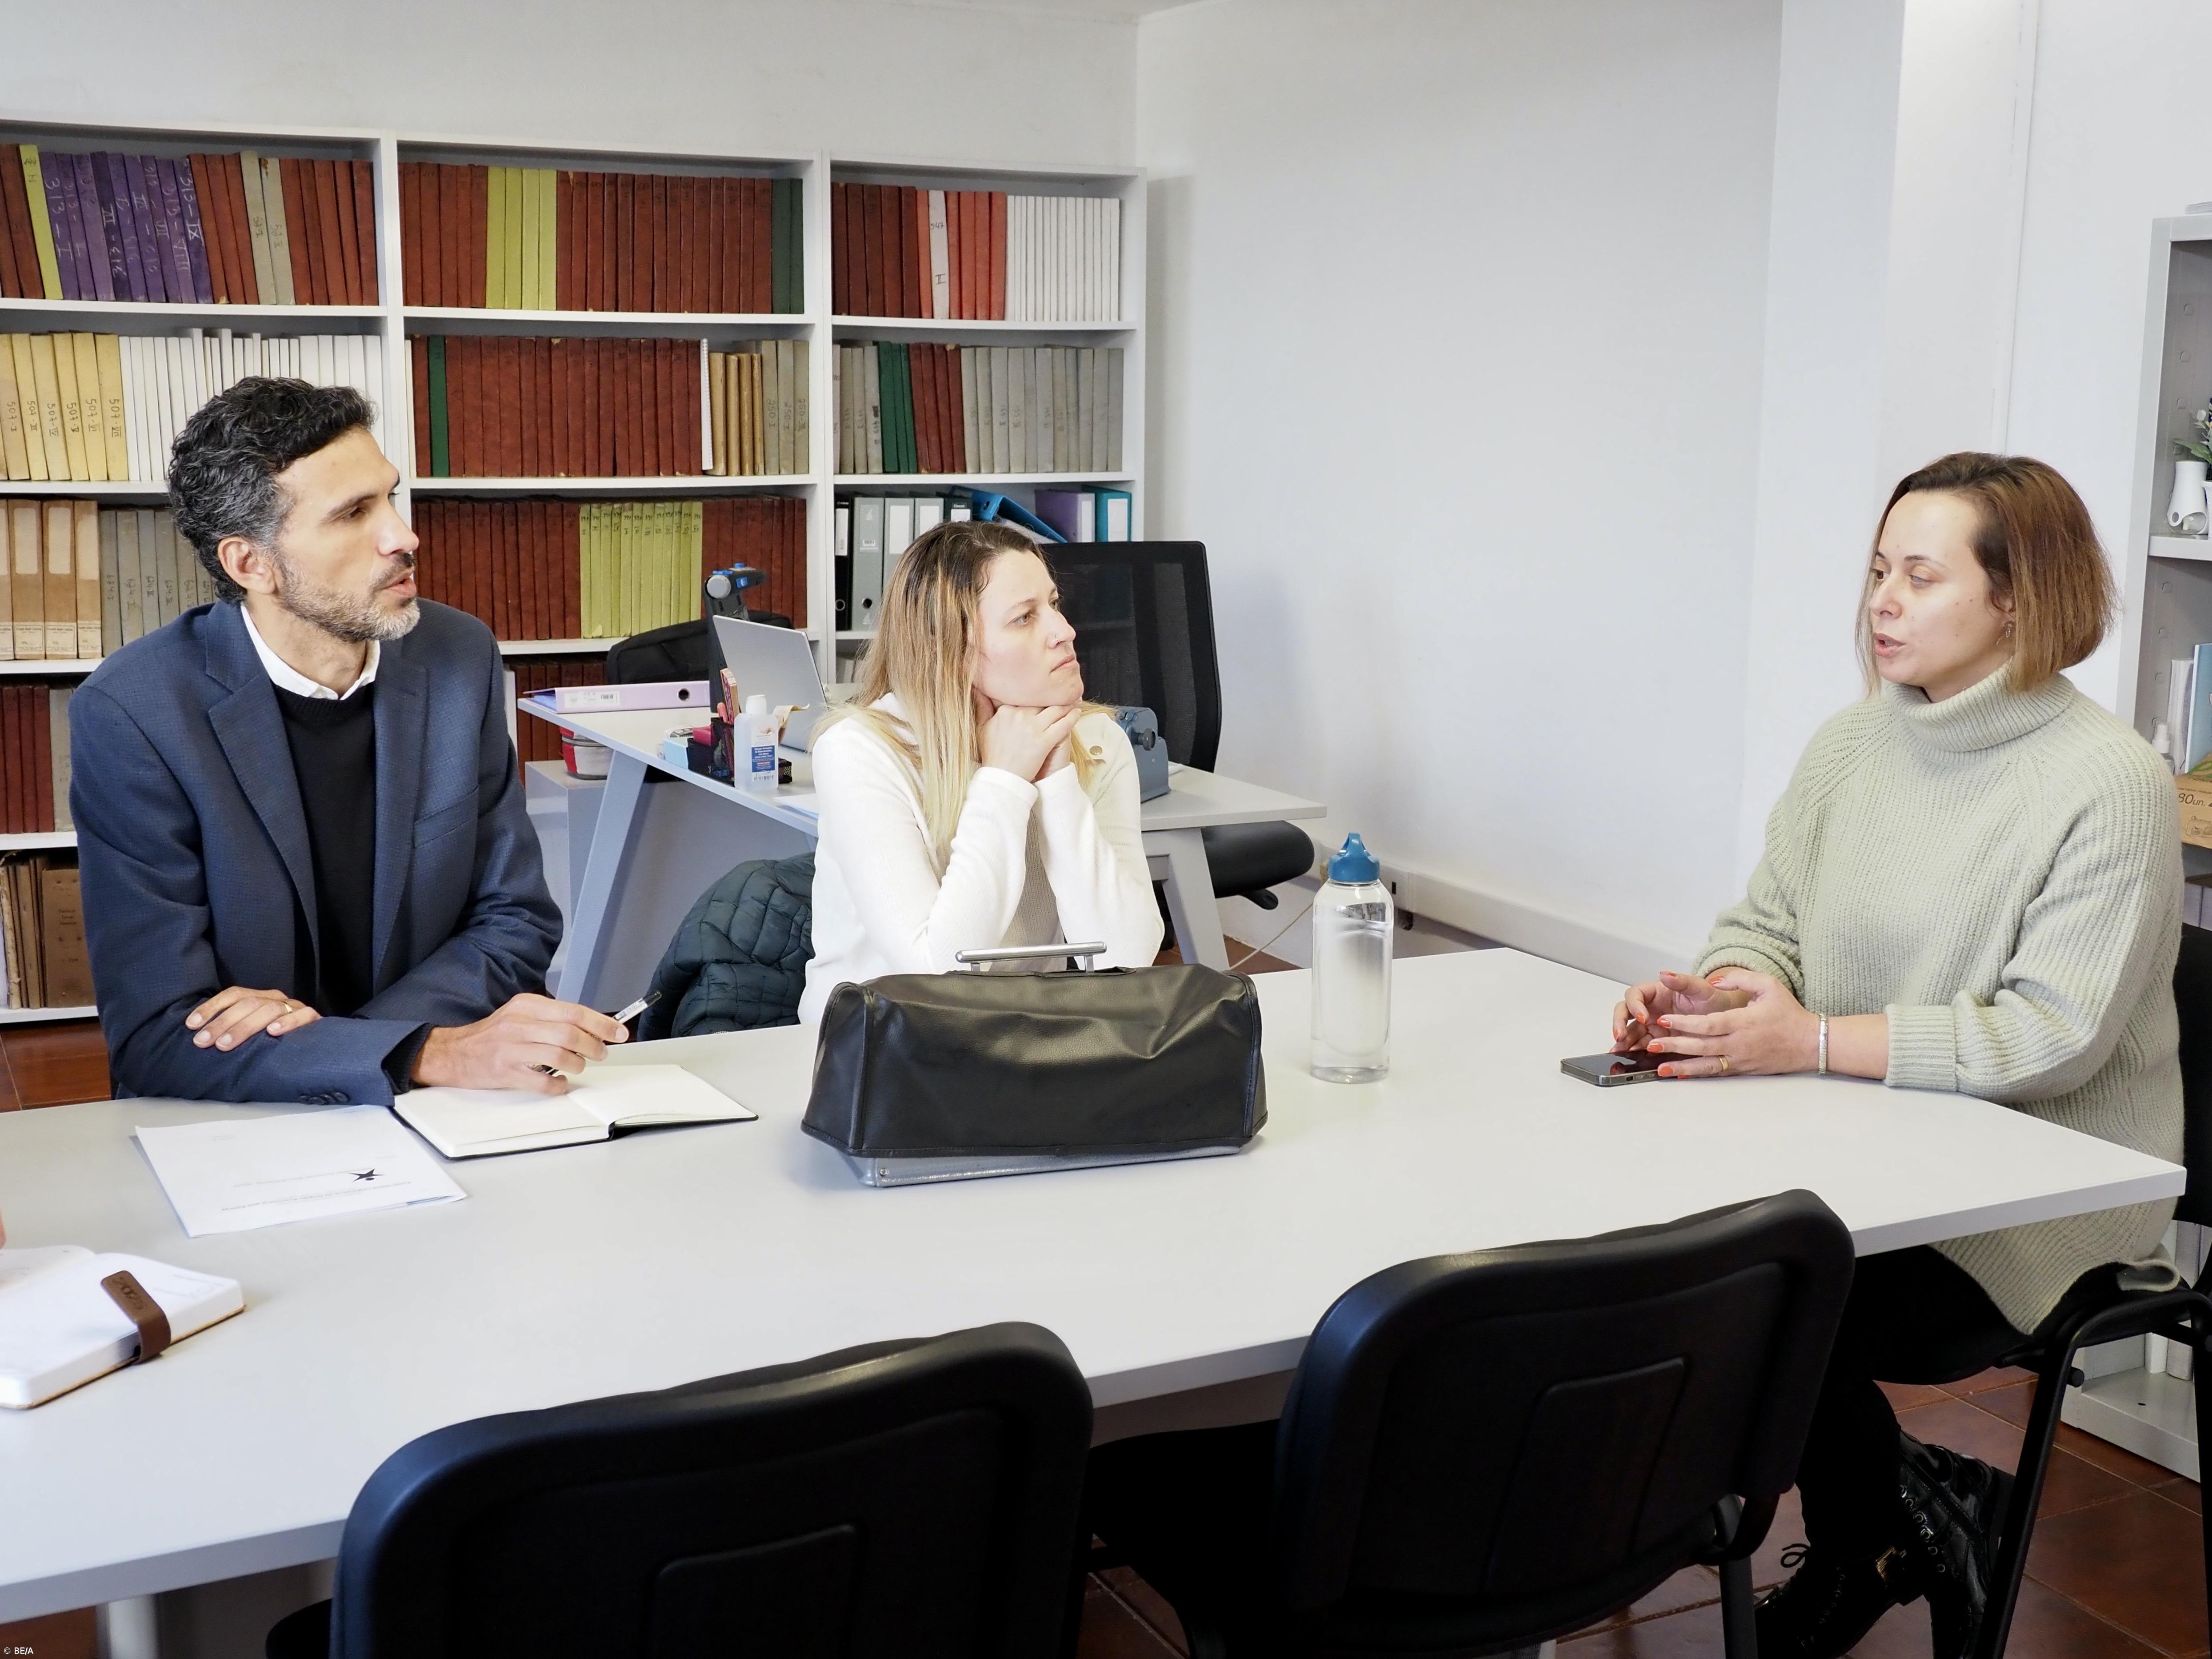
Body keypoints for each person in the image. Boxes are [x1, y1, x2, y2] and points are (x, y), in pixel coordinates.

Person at [1609, 453, 2181, 1659]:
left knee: (1754, 1300)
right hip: (1864, 1145)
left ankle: (1875, 1533)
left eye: (1921, 576)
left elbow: (2051, 1034)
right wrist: (1714, 1001)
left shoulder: (2111, 782)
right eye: (1878, 570)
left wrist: (1810, 1040)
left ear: (2017, 598)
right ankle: (1894, 1522)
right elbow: (1765, 926)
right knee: (1646, 1257)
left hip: (2035, 1192)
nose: (1882, 601)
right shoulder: (1851, 745)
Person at [71, 377, 629, 1104]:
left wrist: (376, 1052)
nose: (404, 536)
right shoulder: (134, 712)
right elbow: (157, 1034)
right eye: (353, 513)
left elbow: (516, 921)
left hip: (443, 1099)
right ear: (251, 564)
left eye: (390, 497)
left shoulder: (458, 656)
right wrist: (416, 1050)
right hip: (238, 1123)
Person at [798, 520, 1163, 1023]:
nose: (1065, 631)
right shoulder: (860, 750)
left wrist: (1056, 781)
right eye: (1024, 618)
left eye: (1054, 604)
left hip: (1027, 1041)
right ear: (950, 647)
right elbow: (937, 976)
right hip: (880, 1046)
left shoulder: (1097, 740)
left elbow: (1129, 961)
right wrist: (1004, 783)